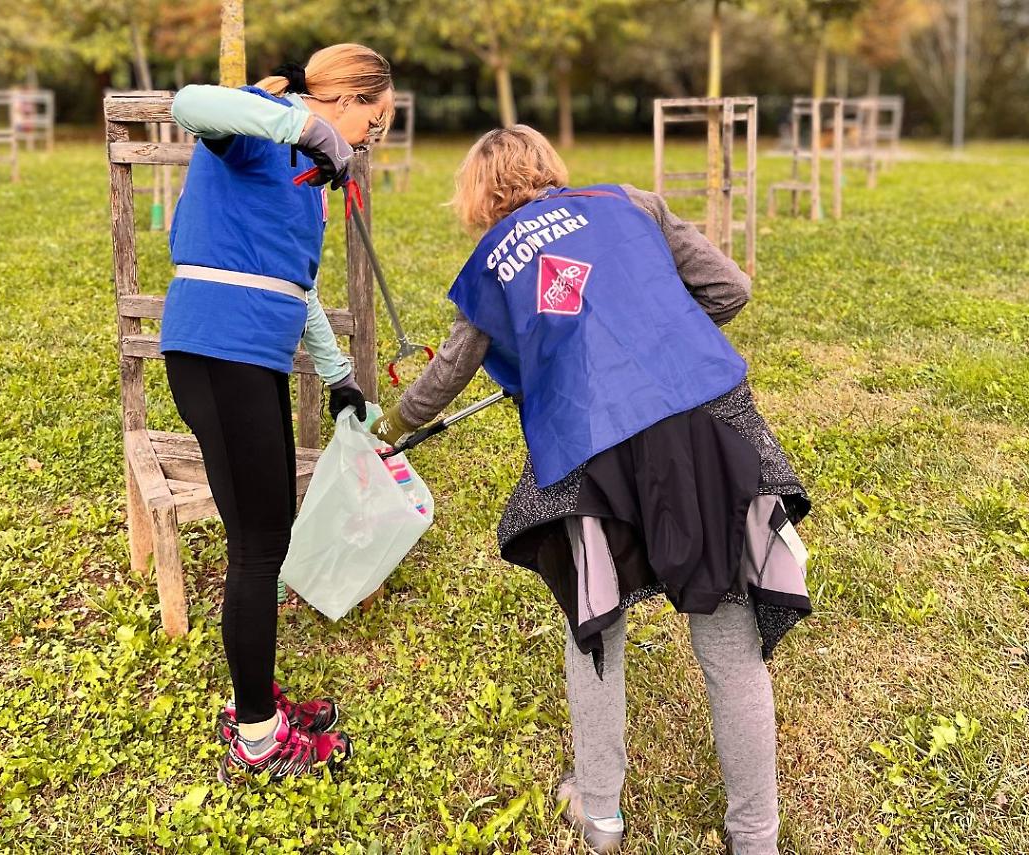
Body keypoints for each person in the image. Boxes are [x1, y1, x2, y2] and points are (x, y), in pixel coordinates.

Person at [372, 126, 812, 854]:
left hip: (592, 446)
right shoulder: (629, 201)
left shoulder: (493, 260)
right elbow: (730, 289)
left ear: (482, 195)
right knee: (730, 637)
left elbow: (445, 374)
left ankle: (600, 813)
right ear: (551, 168)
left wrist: (389, 423)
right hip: (706, 422)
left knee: (595, 624)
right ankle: (755, 837)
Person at [161, 43, 394, 784]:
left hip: (252, 354)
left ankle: (254, 697)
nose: (368, 141)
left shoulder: (309, 178)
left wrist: (339, 380)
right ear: (350, 99)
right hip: (217, 351)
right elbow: (189, 103)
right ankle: (257, 735)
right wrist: (303, 128)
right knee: (260, 547)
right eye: (374, 123)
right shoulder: (267, 125)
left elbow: (295, 286)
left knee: (268, 534)